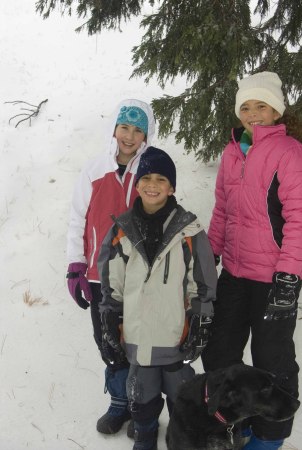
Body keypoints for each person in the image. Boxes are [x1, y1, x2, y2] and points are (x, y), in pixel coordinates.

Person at [202, 72, 302, 450]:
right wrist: (209, 257)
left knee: (273, 359)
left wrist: (288, 277)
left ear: (276, 110)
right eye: (246, 107)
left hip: (273, 278)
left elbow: (300, 219)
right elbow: (222, 211)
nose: (253, 114)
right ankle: (238, 422)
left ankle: (269, 438)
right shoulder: (232, 152)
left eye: (261, 106)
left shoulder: (291, 153)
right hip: (234, 274)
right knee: (219, 352)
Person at [98, 146, 218, 450]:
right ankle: (146, 433)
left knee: (181, 393)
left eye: (161, 179)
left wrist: (201, 320)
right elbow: (112, 284)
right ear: (137, 184)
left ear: (172, 186)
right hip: (137, 337)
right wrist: (110, 318)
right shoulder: (121, 230)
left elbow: (202, 281)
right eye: (146, 178)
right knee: (142, 394)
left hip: (175, 335)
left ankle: (181, 436)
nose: (152, 185)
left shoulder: (189, 230)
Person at [66, 99, 155, 435]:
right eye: (124, 127)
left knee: (138, 341)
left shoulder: (151, 169)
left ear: (147, 134)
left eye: (137, 129)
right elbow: (77, 219)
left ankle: (140, 404)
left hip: (138, 277)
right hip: (99, 275)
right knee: (108, 340)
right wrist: (76, 264)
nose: (129, 136)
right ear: (114, 129)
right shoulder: (94, 169)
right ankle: (119, 400)